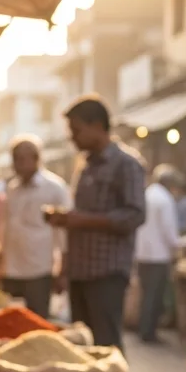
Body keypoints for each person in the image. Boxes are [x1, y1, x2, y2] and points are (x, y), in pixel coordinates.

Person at [47, 96, 146, 350]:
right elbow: (81, 214)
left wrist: (82, 220)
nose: (72, 138)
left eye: (77, 130)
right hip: (80, 271)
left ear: (98, 126)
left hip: (106, 273)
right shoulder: (86, 166)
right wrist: (67, 220)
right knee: (84, 347)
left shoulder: (126, 164)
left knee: (106, 346)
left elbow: (135, 215)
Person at [0, 135, 70, 318]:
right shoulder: (12, 188)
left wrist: (63, 270)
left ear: (36, 159)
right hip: (12, 268)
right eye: (15, 159)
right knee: (13, 321)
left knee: (36, 320)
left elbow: (64, 234)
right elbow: (5, 227)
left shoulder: (55, 188)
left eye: (21, 159)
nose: (17, 164)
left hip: (39, 269)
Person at [134, 164, 181, 343]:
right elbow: (169, 230)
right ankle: (148, 332)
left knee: (146, 294)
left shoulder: (147, 195)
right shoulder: (164, 199)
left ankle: (144, 329)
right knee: (154, 295)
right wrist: (178, 245)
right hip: (158, 255)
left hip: (142, 253)